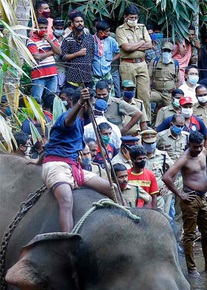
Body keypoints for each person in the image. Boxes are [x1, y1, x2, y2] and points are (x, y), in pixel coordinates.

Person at [40, 87, 119, 232]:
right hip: (57, 166)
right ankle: (67, 240)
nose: (93, 108)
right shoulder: (67, 116)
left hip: (74, 168)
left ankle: (124, 221)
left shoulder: (81, 122)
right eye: (92, 105)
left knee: (112, 187)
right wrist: (81, 103)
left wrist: (37, 161)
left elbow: (50, 145)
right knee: (66, 200)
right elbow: (69, 121)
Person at [162, 131, 207, 277]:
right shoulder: (184, 158)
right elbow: (167, 177)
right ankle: (192, 268)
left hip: (202, 198)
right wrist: (180, 194)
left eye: (200, 146)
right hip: (190, 198)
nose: (199, 149)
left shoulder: (203, 151)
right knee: (189, 234)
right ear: (189, 145)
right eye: (195, 147)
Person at [116, 5, 153, 117]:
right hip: (127, 64)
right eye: (131, 17)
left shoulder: (142, 27)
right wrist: (141, 43)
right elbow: (126, 48)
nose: (133, 20)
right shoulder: (120, 30)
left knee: (145, 94)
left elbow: (150, 44)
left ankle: (145, 121)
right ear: (125, 17)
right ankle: (129, 120)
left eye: (135, 17)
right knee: (129, 94)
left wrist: (133, 46)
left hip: (142, 63)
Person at [26, 17, 61, 103]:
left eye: (45, 28)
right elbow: (37, 56)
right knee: (37, 100)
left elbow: (59, 52)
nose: (43, 30)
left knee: (50, 100)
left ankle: (49, 116)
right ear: (36, 27)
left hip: (52, 74)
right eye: (41, 28)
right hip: (39, 75)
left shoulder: (50, 37)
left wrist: (49, 41)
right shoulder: (31, 40)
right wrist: (51, 52)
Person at [61, 10, 95, 88]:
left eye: (81, 21)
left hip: (87, 77)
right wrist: (77, 54)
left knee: (88, 98)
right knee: (72, 99)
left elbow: (92, 54)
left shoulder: (89, 38)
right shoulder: (67, 39)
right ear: (72, 24)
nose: (80, 23)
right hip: (73, 77)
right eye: (77, 22)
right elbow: (63, 57)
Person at [149, 41, 179, 118]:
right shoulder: (155, 61)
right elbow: (149, 77)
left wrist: (175, 93)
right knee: (144, 98)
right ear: (161, 51)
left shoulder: (175, 64)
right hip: (156, 92)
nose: (166, 52)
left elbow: (177, 80)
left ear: (172, 52)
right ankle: (147, 120)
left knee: (172, 111)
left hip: (169, 93)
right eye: (164, 50)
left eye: (168, 51)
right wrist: (148, 90)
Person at [126, 144, 159, 208]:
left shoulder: (150, 175)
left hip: (146, 210)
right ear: (133, 160)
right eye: (140, 159)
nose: (143, 161)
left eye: (144, 158)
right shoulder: (125, 175)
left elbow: (154, 197)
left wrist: (154, 212)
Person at [91, 21, 120, 90]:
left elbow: (119, 52)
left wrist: (111, 60)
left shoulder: (111, 41)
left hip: (107, 74)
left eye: (109, 31)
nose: (109, 33)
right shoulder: (90, 40)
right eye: (107, 31)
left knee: (110, 94)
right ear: (100, 32)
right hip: (94, 75)